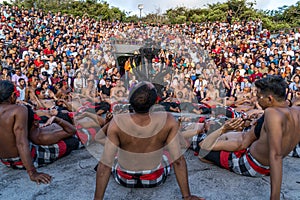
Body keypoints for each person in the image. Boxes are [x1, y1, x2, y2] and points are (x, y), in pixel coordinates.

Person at [94, 82, 203, 200]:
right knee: (167, 156)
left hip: (124, 179)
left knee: (114, 157)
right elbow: (178, 160)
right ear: (156, 102)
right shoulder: (168, 119)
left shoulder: (117, 122)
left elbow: (104, 165)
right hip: (154, 179)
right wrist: (187, 196)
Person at [198, 76, 300, 200]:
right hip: (263, 163)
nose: (257, 100)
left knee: (203, 153)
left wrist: (275, 197)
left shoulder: (272, 114)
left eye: (258, 97)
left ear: (269, 99)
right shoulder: (296, 111)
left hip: (252, 164)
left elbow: (276, 156)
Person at [0, 80, 51, 184]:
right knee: (68, 143)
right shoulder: (18, 110)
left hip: (4, 161)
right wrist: (32, 172)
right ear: (13, 95)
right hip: (20, 160)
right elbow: (21, 143)